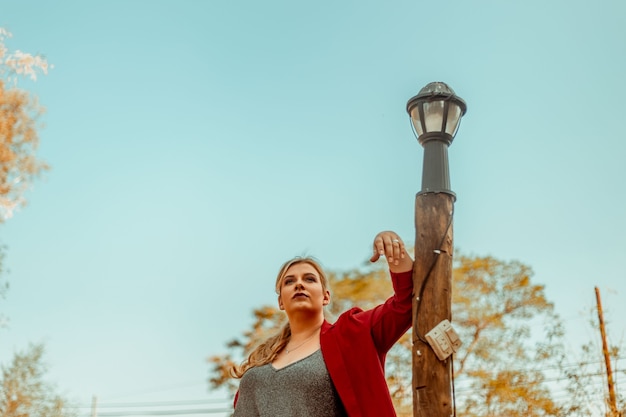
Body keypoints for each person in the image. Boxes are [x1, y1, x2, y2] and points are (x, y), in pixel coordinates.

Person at [232, 231, 414, 417]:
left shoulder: (352, 333)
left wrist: (393, 246)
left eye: (309, 279)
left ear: (326, 297)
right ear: (280, 302)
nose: (299, 284)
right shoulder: (262, 360)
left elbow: (405, 305)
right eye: (289, 281)